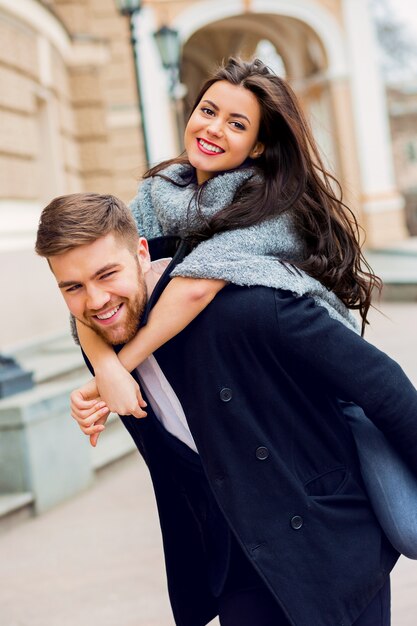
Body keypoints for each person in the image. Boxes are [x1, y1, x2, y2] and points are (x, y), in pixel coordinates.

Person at [35, 192, 417, 626]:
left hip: (329, 545)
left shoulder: (244, 304)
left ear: (141, 253)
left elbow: (381, 385)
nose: (97, 300)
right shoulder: (104, 340)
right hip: (236, 569)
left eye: (107, 274)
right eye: (73, 287)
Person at [74, 57, 379, 421]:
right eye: (208, 111)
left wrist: (116, 372)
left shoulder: (273, 208)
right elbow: (87, 283)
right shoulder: (157, 196)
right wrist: (105, 370)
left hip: (312, 394)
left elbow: (195, 287)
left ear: (257, 147)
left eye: (237, 124)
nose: (214, 128)